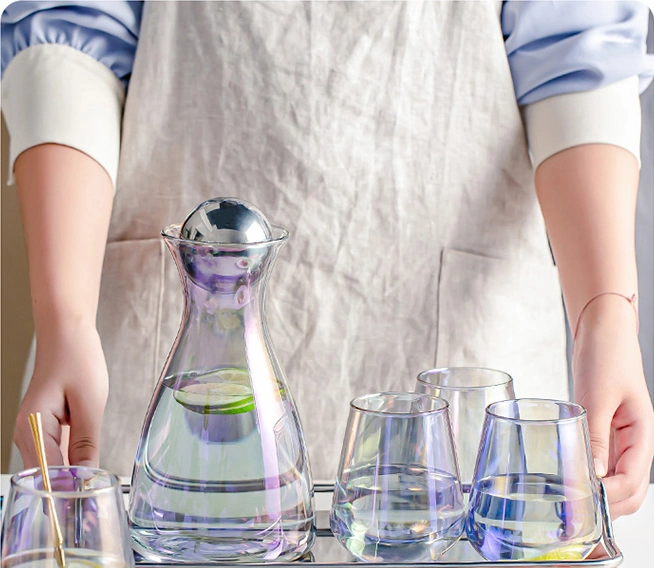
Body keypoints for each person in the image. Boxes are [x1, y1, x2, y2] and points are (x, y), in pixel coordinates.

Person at [2, 0, 653, 517]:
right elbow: (66, 36)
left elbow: (574, 47)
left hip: (463, 373)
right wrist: (65, 316)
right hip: (162, 423)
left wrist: (605, 310)